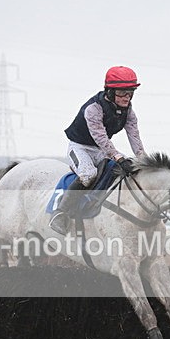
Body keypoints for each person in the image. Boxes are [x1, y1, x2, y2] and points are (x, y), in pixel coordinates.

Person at [49, 65, 147, 235]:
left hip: (100, 149)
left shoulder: (129, 112)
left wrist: (144, 160)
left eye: (130, 92)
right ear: (110, 92)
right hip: (80, 147)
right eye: (122, 92)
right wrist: (118, 157)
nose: (127, 97)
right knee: (88, 175)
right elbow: (101, 138)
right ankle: (60, 213)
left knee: (130, 169)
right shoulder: (93, 109)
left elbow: (135, 137)